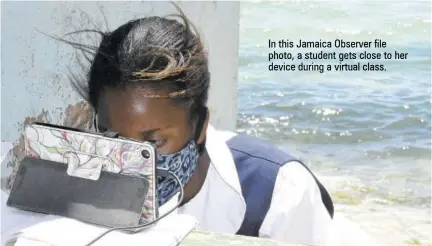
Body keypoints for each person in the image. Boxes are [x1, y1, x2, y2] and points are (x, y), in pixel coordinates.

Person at [63, 9, 335, 246]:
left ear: (200, 127)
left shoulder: (278, 193)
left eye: (155, 143)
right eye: (115, 138)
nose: (132, 162)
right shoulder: (81, 182)